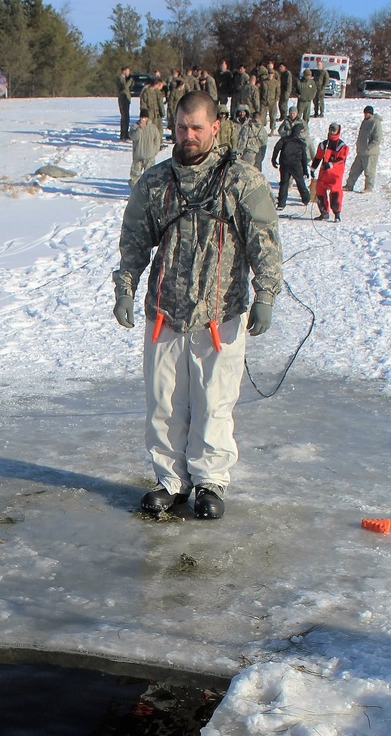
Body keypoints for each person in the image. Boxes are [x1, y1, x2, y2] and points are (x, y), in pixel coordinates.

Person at [111, 91, 282, 521]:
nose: (188, 135)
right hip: (165, 313)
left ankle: (210, 481)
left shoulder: (242, 180)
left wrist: (265, 294)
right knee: (164, 402)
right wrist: (125, 288)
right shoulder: (155, 182)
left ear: (215, 128)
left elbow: (264, 240)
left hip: (218, 314)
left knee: (213, 401)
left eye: (197, 128)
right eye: (182, 127)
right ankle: (170, 480)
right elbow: (134, 240)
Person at [312, 122, 349, 220]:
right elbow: (318, 157)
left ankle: (337, 214)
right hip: (324, 173)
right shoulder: (324, 144)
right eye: (331, 130)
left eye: (334, 130)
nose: (332, 132)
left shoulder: (342, 146)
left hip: (335, 174)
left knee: (335, 194)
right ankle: (324, 213)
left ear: (338, 131)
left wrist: (332, 164)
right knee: (319, 191)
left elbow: (341, 159)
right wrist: (313, 168)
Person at [271, 120, 311, 208]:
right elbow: (304, 158)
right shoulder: (301, 143)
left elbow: (277, 148)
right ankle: (306, 199)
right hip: (296, 165)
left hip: (284, 164)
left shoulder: (284, 139)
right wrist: (305, 170)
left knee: (284, 183)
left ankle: (281, 203)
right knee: (300, 182)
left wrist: (274, 159)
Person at [345, 105, 383, 192]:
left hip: (370, 153)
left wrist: (368, 147)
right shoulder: (364, 122)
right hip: (361, 152)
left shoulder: (375, 123)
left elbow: (377, 139)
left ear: (371, 113)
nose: (365, 115)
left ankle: (368, 188)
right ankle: (349, 186)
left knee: (369, 172)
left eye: (367, 113)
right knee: (354, 170)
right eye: (364, 113)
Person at [130, 114, 162, 185]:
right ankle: (136, 193)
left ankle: (149, 193)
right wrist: (139, 128)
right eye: (142, 117)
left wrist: (154, 152)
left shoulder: (153, 128)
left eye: (145, 117)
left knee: (150, 177)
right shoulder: (135, 127)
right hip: (138, 157)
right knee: (135, 178)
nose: (143, 119)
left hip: (149, 157)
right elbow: (134, 137)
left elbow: (157, 140)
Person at [234, 103, 267, 170]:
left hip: (249, 153)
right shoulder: (233, 124)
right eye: (240, 112)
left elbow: (243, 141)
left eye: (243, 112)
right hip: (240, 151)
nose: (242, 114)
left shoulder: (249, 125)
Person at [117, 66, 133, 140]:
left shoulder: (125, 79)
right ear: (124, 71)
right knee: (124, 116)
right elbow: (125, 87)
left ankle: (125, 133)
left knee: (126, 117)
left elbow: (130, 87)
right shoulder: (120, 79)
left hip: (126, 99)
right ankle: (123, 134)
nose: (128, 73)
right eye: (127, 71)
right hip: (123, 99)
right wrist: (130, 81)